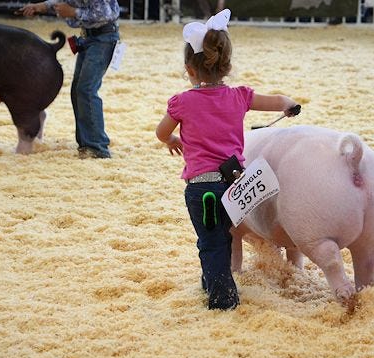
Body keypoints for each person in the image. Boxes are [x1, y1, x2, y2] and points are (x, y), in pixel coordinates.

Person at [155, 9, 298, 310]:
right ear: (227, 65)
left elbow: (161, 132)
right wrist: (288, 103)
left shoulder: (182, 102)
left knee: (211, 242)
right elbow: (275, 101)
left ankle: (223, 300)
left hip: (201, 188)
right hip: (236, 188)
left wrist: (172, 140)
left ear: (189, 70)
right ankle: (211, 283)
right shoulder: (240, 96)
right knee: (222, 236)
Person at [19, 0, 120, 159]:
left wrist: (74, 13)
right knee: (79, 91)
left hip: (103, 38)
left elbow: (106, 14)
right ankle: (86, 144)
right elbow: (65, 2)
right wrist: (39, 7)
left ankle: (97, 147)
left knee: (85, 89)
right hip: (90, 38)